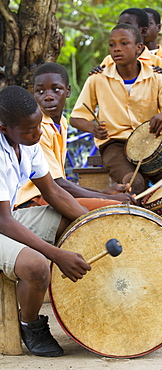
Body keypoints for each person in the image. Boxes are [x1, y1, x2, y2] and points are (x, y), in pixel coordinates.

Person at [0, 85, 93, 356]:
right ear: (4, 128)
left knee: (70, 221)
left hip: (8, 218)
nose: (38, 133)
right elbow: (4, 222)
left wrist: (95, 222)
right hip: (3, 221)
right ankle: (29, 323)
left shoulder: (27, 143)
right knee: (38, 265)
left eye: (39, 125)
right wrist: (58, 255)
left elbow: (52, 191)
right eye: (30, 130)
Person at [70, 24, 162, 195]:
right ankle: (134, 221)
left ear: (138, 48)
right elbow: (76, 118)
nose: (117, 49)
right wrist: (92, 128)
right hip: (114, 144)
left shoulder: (156, 78)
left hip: (153, 143)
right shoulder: (97, 79)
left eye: (124, 43)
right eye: (112, 45)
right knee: (134, 183)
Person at [15, 62, 135, 210]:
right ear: (34, 94)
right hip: (34, 200)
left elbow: (61, 182)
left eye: (56, 89)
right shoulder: (37, 129)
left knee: (115, 205)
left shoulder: (62, 123)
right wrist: (107, 197)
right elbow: (57, 183)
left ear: (68, 91)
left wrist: (102, 193)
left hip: (53, 194)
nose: (48, 97)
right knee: (116, 207)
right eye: (40, 91)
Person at [89, 8, 162, 85]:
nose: (122, 28)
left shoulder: (158, 62)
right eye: (119, 25)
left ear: (143, 30)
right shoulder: (110, 60)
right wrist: (96, 74)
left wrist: (161, 78)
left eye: (127, 25)